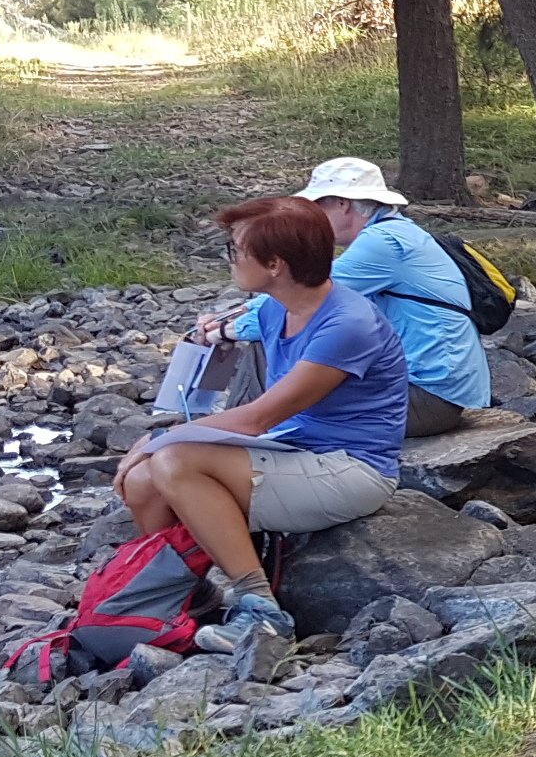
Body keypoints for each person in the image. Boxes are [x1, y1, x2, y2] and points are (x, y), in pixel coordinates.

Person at [117, 197, 410, 651]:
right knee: (140, 481)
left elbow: (259, 418)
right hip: (298, 448)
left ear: (275, 264)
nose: (230, 259)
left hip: (353, 468)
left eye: (235, 249)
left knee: (175, 461)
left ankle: (261, 612)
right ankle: (190, 595)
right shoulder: (277, 310)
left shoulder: (348, 324)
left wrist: (160, 438)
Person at [206, 158, 489, 437]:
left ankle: (238, 438)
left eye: (316, 207)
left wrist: (226, 329)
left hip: (426, 398)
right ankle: (243, 431)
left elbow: (303, 299)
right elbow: (289, 298)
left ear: (343, 203)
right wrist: (228, 319)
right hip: (433, 391)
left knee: (266, 343)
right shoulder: (397, 232)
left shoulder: (383, 243)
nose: (310, 218)